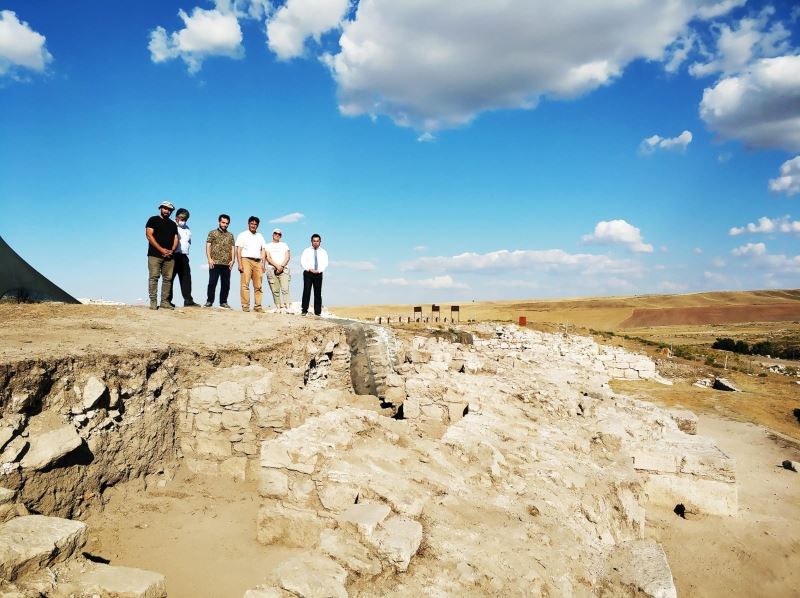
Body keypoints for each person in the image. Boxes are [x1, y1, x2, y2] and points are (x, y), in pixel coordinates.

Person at [145, 201, 179, 310]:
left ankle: (164, 302)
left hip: (169, 256)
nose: (167, 211)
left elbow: (176, 238)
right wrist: (161, 249)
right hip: (154, 255)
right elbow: (149, 235)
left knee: (168, 279)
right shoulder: (153, 220)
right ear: (160, 208)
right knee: (154, 277)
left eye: (169, 210)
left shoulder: (173, 224)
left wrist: (172, 250)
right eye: (165, 208)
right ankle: (153, 302)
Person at [167, 208, 199, 307]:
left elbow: (188, 241)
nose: (183, 220)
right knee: (169, 278)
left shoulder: (187, 228)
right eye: (181, 218)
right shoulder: (170, 224)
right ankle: (167, 301)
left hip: (184, 255)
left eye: (185, 219)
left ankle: (188, 300)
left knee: (186, 278)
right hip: (173, 255)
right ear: (176, 217)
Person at [236, 216, 267, 312]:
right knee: (245, 284)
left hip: (258, 261)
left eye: (255, 224)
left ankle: (258, 306)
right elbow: (239, 250)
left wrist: (263, 264)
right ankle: (245, 306)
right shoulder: (242, 235)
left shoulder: (260, 236)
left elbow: (263, 250)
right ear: (248, 224)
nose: (253, 226)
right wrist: (240, 264)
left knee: (258, 285)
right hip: (246, 260)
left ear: (258, 225)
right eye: (252, 224)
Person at [205, 213, 235, 309]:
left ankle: (223, 302)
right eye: (223, 222)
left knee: (226, 284)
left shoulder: (230, 235)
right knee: (212, 282)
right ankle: (209, 301)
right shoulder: (212, 233)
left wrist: (233, 260)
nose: (225, 225)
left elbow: (232, 248)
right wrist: (209, 259)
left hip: (227, 263)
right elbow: (208, 245)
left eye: (227, 223)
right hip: (215, 262)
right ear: (219, 222)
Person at [300, 233, 328, 316]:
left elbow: (325, 263)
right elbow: (303, 261)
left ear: (320, 242)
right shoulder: (306, 251)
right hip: (308, 273)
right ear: (311, 241)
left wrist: (319, 270)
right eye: (314, 241)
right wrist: (309, 269)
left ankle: (318, 312)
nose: (315, 242)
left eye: (317, 241)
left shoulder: (323, 252)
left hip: (318, 274)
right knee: (306, 291)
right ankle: (304, 310)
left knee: (318, 293)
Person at [265, 228, 291, 313]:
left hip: (284, 269)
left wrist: (282, 266)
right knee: (275, 289)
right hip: (272, 269)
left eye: (279, 234)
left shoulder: (284, 245)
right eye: (275, 233)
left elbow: (287, 257)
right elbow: (268, 258)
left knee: (285, 288)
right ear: (272, 234)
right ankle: (278, 307)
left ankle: (288, 307)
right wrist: (277, 266)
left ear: (281, 236)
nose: (277, 235)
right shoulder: (268, 245)